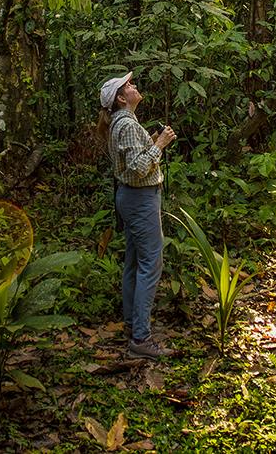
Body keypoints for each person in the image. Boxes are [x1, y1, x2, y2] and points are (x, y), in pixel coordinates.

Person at [97, 71, 177, 359]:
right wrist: (160, 145)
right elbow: (137, 168)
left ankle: (133, 323)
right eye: (128, 85)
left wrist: (151, 141)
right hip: (140, 199)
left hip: (131, 198)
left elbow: (131, 160)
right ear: (121, 98)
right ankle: (141, 338)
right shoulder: (127, 124)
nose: (133, 86)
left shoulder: (124, 123)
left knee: (134, 262)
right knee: (150, 265)